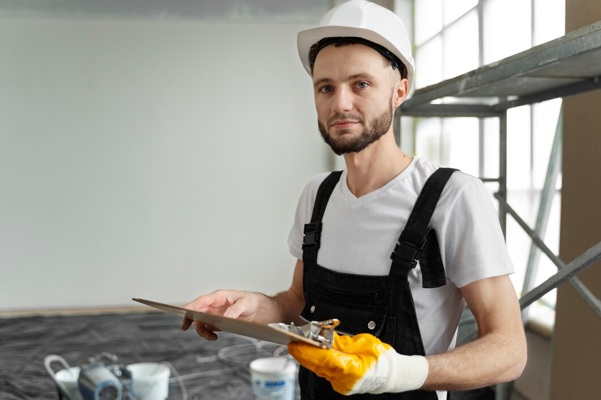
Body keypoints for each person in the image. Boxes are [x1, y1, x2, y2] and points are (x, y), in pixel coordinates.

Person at [181, 1, 527, 399]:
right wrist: (251, 307)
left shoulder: (452, 197)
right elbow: (297, 303)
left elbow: (509, 351)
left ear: (399, 91)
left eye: (360, 84)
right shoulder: (319, 195)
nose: (340, 103)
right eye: (326, 87)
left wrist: (396, 373)